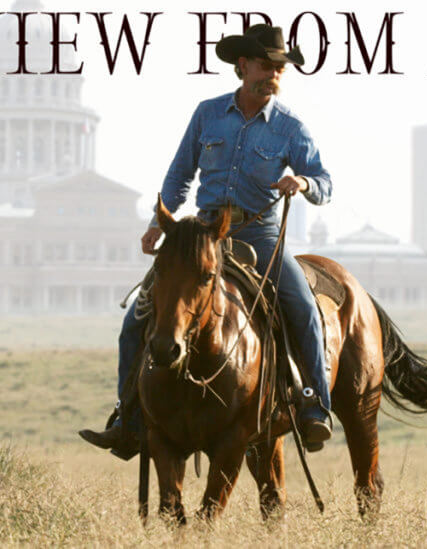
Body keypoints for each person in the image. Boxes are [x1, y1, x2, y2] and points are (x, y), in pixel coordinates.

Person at [79, 24, 333, 456]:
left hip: (260, 232)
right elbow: (180, 174)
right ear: (243, 66)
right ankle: (129, 417)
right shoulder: (207, 114)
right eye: (266, 66)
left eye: (279, 69)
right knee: (137, 318)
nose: (273, 75)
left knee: (303, 307)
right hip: (202, 232)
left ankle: (313, 406)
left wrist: (303, 183)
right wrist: (161, 223)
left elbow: (325, 183)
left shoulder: (292, 128)